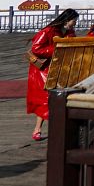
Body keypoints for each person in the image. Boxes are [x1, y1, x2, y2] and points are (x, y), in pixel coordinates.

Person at [27, 8, 78, 141]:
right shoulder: (48, 31)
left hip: (59, 67)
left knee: (50, 100)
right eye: (74, 21)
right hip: (43, 70)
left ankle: (39, 129)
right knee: (46, 99)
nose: (75, 23)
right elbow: (36, 48)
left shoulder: (69, 32)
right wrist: (57, 48)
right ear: (67, 20)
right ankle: (45, 129)